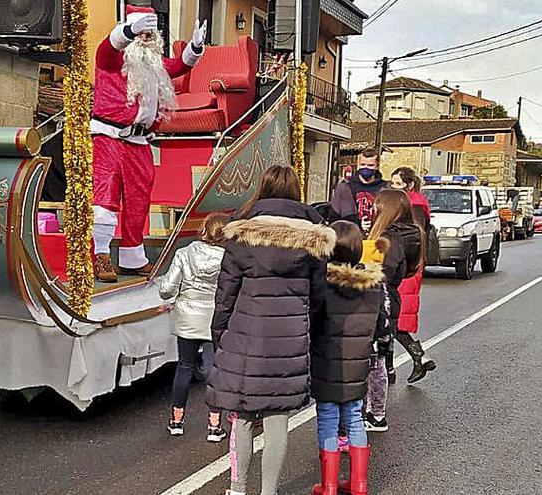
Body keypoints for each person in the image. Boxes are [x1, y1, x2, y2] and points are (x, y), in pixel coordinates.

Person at [208, 166, 334, 495]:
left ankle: (237, 489)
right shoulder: (312, 238)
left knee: (244, 418)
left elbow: (226, 294)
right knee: (278, 421)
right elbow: (320, 296)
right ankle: (269, 492)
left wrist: (219, 335)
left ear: (262, 188)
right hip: (289, 341)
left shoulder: (241, 234)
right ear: (295, 192)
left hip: (244, 338)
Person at [91, 6, 208, 282]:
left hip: (140, 141)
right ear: (130, 33)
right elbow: (109, 46)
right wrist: (129, 31)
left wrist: (195, 47)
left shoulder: (154, 63)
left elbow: (178, 66)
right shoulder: (112, 59)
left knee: (138, 201)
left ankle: (133, 257)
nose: (146, 38)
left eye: (150, 33)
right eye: (141, 32)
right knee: (105, 198)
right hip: (110, 138)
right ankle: (100, 255)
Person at [310, 221, 384, 495]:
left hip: (326, 360)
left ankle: (329, 485)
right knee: (354, 417)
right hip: (359, 360)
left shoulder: (322, 284)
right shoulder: (373, 284)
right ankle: (359, 484)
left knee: (328, 417)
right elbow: (379, 324)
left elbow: (313, 321)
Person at [157, 213, 229, 442]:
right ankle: (214, 425)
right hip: (214, 319)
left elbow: (166, 290)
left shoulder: (184, 253)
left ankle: (176, 421)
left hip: (187, 317)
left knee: (184, 367)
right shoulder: (229, 258)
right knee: (212, 369)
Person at [363, 190, 423, 433]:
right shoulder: (412, 233)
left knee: (373, 361)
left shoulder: (390, 239)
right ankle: (375, 411)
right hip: (391, 297)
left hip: (378, 300)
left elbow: (373, 270)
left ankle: (375, 413)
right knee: (379, 358)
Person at [390, 167, 437, 383]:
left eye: (397, 184)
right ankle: (415, 359)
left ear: (408, 185)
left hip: (407, 266)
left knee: (394, 319)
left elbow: (414, 235)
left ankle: (417, 357)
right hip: (406, 264)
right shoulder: (409, 202)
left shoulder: (415, 204)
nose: (393, 187)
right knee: (393, 319)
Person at [329, 148, 389, 230]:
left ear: (377, 165)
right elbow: (337, 216)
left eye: (370, 165)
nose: (365, 168)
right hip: (352, 234)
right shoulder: (346, 187)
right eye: (362, 164)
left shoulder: (385, 188)